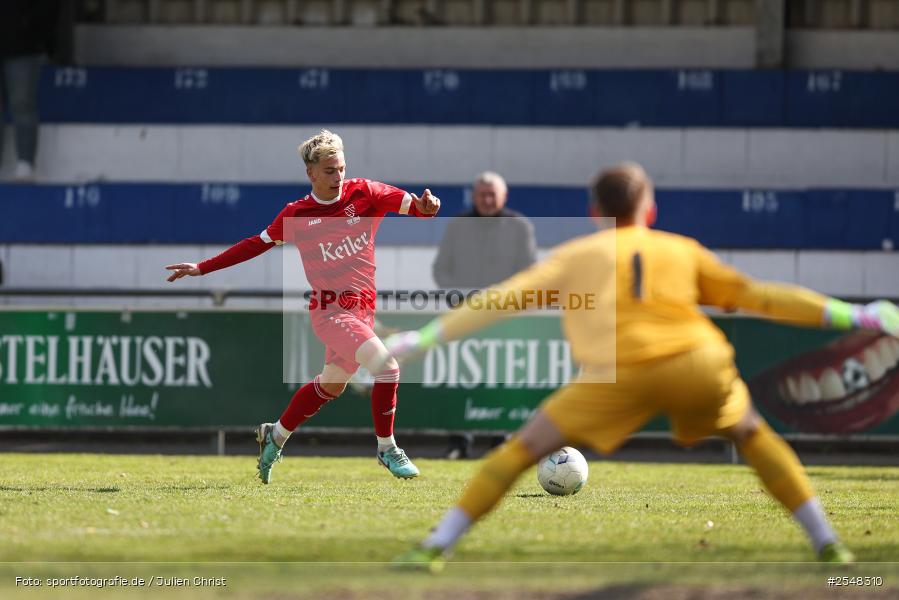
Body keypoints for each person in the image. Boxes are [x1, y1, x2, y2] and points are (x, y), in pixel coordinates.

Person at [387, 162, 899, 570]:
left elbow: (500, 300)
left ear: (594, 211)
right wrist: (858, 314)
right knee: (754, 436)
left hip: (620, 370)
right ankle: (830, 546)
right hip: (698, 362)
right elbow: (760, 297)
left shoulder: (576, 254)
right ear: (649, 210)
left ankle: (435, 546)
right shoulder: (682, 250)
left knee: (521, 450)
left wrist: (422, 337)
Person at [165, 130, 440, 482]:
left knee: (331, 386)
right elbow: (254, 244)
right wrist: (202, 267)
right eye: (328, 171)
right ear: (311, 173)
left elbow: (415, 206)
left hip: (362, 311)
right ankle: (387, 448)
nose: (337, 176)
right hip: (330, 312)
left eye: (340, 168)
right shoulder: (298, 214)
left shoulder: (365, 193)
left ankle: (274, 435)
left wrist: (427, 208)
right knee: (387, 366)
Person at [432, 171, 537, 458]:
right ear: (473, 196)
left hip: (505, 319)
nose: (488, 200)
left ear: (504, 196)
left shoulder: (519, 227)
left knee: (503, 380)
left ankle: (501, 440)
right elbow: (441, 268)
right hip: (464, 316)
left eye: (493, 194)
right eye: (482, 194)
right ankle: (459, 442)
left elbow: (529, 273)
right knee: (460, 377)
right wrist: (459, 297)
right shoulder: (456, 226)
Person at [1, 0, 68, 182]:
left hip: (24, 48)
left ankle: (25, 165)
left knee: (22, 104)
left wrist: (33, 33)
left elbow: (48, 7)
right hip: (21, 42)